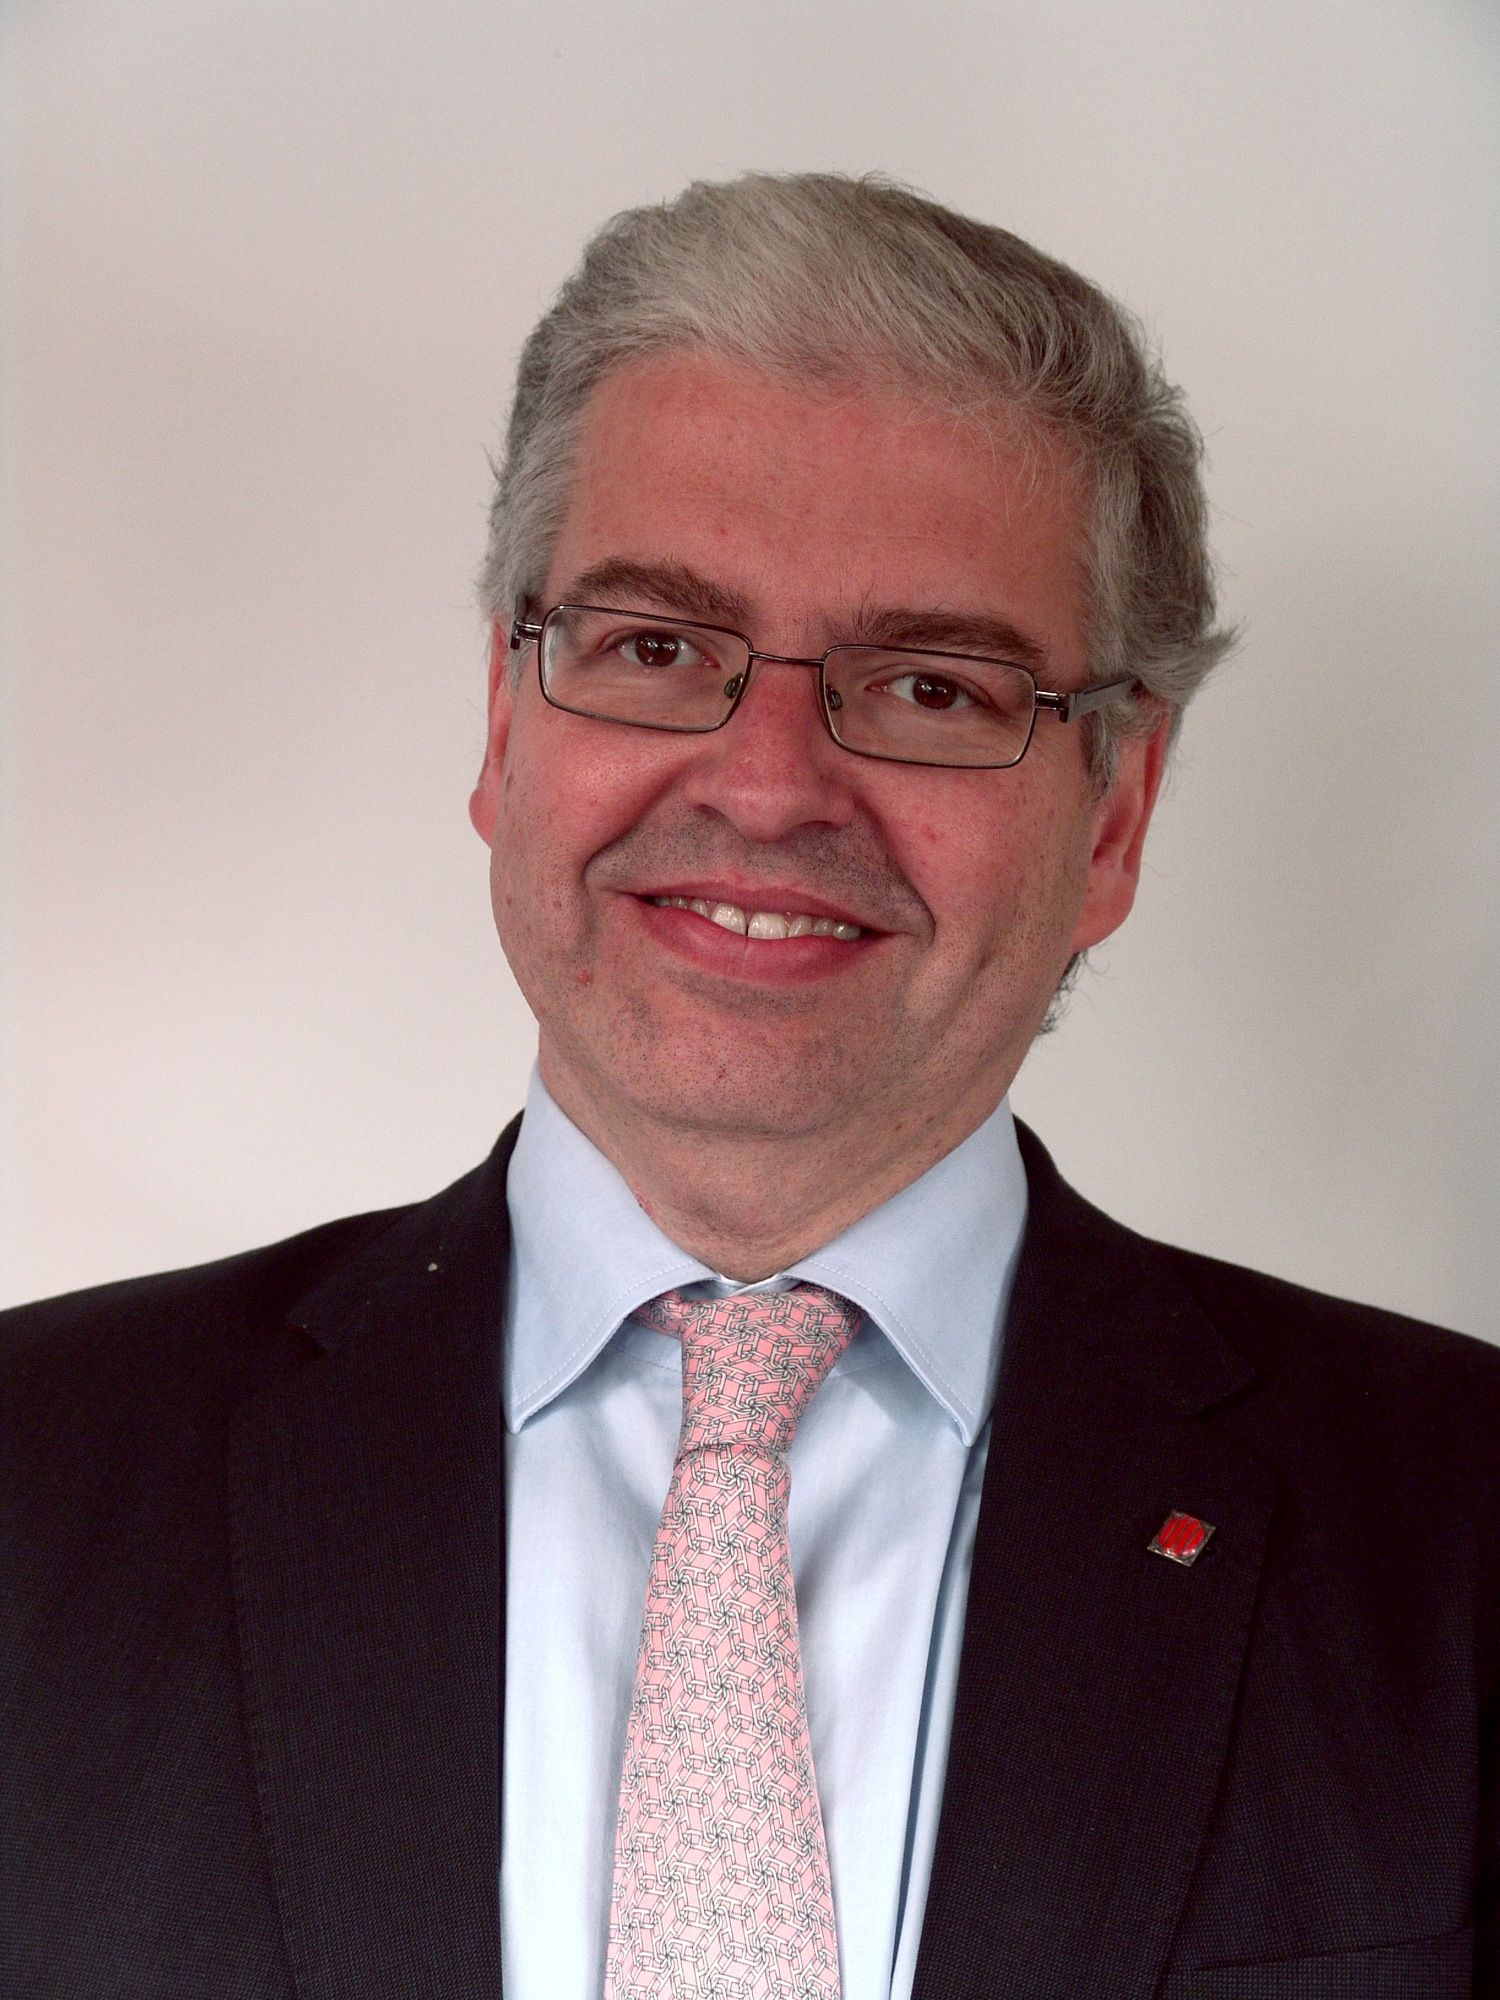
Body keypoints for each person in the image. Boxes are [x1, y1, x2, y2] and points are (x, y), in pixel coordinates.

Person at [4, 172, 1496, 2000]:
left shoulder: (1457, 1526)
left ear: (1114, 813)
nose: (772, 784)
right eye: (656, 650)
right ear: (505, 722)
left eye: (932, 686)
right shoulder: (34, 1475)